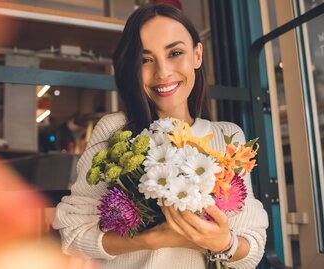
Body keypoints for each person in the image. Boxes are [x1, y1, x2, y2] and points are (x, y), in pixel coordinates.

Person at [53, 4, 268, 269]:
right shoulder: (115, 130)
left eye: (175, 53)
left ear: (197, 55)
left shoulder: (226, 136)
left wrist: (224, 243)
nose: (162, 73)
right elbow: (73, 234)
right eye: (145, 59)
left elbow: (252, 249)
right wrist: (151, 240)